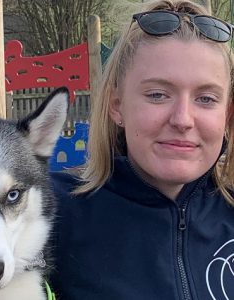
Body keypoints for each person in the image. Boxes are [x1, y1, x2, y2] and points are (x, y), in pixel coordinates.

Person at [50, 0, 234, 299]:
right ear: (117, 105)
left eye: (206, 98)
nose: (183, 120)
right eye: (158, 94)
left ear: (227, 113)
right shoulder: (52, 210)